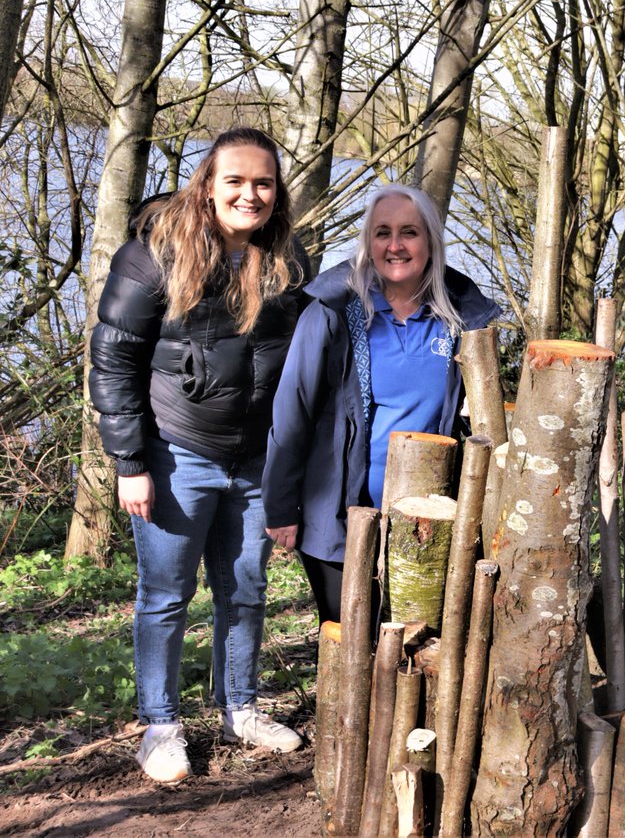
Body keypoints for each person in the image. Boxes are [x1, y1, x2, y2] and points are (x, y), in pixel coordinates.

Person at [90, 127, 311, 783]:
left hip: (253, 462)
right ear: (208, 185)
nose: (250, 194)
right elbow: (112, 359)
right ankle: (160, 727)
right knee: (165, 596)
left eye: (263, 183)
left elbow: (304, 363)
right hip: (174, 454)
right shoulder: (154, 254)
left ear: (277, 192)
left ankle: (239, 708)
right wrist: (130, 462)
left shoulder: (287, 261)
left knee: (244, 591)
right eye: (236, 181)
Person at [262, 185, 501, 626]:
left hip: (426, 519)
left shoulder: (461, 319)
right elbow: (292, 410)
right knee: (349, 641)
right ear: (367, 242)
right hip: (340, 514)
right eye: (382, 232)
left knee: (413, 642)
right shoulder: (332, 311)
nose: (395, 245)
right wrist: (280, 507)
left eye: (409, 232)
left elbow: (478, 410)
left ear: (430, 241)